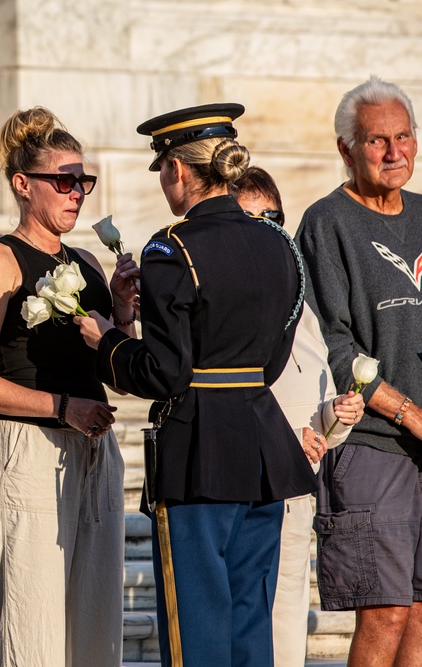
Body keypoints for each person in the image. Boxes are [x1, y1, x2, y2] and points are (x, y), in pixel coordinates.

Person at [76, 103, 315, 666]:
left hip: (199, 450)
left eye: (162, 169)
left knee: (198, 626)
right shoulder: (278, 243)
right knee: (250, 621)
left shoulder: (170, 248)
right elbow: (274, 359)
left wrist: (108, 339)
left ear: (179, 171)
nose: (163, 183)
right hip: (262, 447)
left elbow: (164, 371)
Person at [295, 76, 422, 666]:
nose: (394, 151)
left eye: (404, 136)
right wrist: (416, 418)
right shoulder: (326, 224)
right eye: (378, 140)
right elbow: (335, 345)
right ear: (346, 149)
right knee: (386, 611)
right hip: (374, 447)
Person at [0, 106, 134, 666]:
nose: (76, 192)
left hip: (93, 451)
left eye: (84, 181)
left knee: (97, 630)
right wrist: (62, 408)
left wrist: (124, 318)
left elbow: (114, 377)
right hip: (27, 453)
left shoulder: (87, 261)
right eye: (64, 180)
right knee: (31, 631)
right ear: (23, 185)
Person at [230, 166, 365, 667]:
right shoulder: (228, 301)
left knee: (286, 613)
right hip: (247, 483)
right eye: (251, 216)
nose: (267, 227)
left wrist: (340, 414)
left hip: (294, 486)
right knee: (249, 616)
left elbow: (317, 410)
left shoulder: (299, 304)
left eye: (275, 217)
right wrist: (288, 439)